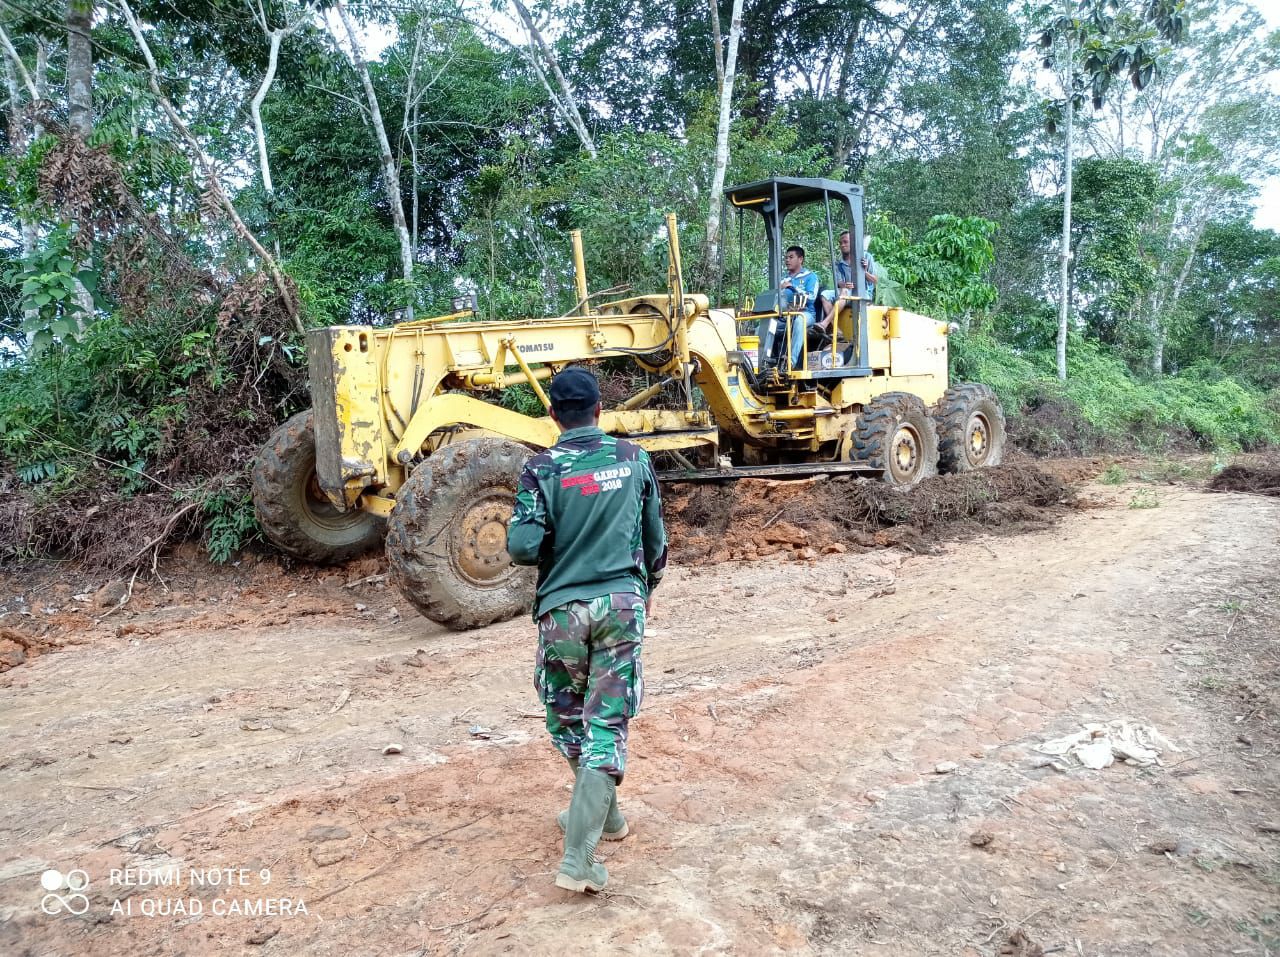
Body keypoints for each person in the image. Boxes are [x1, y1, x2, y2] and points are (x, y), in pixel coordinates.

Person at [506, 367, 668, 895]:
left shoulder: (540, 469)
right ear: (600, 410)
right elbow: (656, 545)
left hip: (562, 613)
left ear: (553, 414)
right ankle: (598, 826)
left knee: (570, 718)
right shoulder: (633, 459)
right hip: (621, 605)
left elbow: (522, 549)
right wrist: (640, 590)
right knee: (605, 723)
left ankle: (581, 849)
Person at [770, 245, 819, 370]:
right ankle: (765, 361)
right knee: (764, 327)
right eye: (786, 258)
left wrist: (792, 287)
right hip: (786, 315)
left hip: (806, 314)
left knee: (799, 322)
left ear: (800, 259)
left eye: (791, 257)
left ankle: (790, 362)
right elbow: (777, 299)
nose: (787, 260)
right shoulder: (784, 280)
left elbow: (812, 297)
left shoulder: (810, 276)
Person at [819, 230, 878, 329]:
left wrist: (863, 271)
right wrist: (845, 285)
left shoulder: (866, 257)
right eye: (840, 243)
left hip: (863, 294)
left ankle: (824, 323)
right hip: (846, 293)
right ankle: (836, 329)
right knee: (824, 295)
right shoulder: (839, 263)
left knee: (844, 292)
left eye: (845, 242)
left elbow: (875, 280)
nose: (842, 245)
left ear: (853, 243)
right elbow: (839, 283)